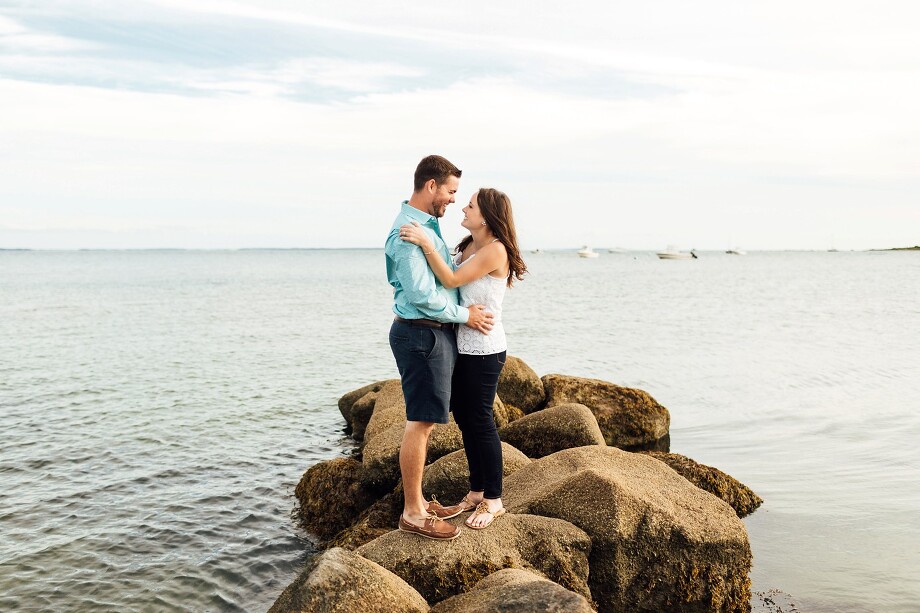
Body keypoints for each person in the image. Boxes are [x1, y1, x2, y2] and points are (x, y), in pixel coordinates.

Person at [400, 187, 527, 529]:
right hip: (463, 345)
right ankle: (476, 491)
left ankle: (494, 500)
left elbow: (452, 278)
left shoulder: (496, 250)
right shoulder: (470, 245)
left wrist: (426, 243)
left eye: (470, 205)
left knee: (481, 421)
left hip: (485, 349)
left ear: (486, 216)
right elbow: (448, 284)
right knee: (466, 419)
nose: (463, 208)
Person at [385, 155, 495, 541]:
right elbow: (421, 294)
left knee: (427, 421)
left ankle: (418, 501)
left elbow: (442, 276)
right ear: (431, 186)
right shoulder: (408, 230)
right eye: (450, 192)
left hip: (431, 333)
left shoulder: (427, 227)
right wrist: (465, 316)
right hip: (421, 332)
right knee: (421, 422)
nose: (452, 200)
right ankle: (413, 512)